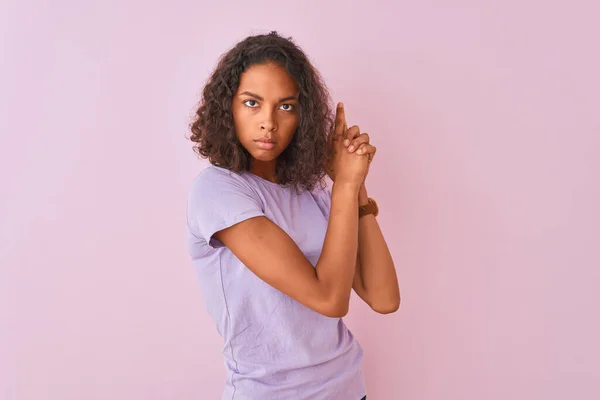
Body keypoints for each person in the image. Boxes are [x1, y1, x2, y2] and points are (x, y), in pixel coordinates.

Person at [186, 31, 400, 400]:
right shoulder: (217, 192)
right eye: (252, 103)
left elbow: (383, 298)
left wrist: (353, 186)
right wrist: (345, 189)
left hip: (348, 389)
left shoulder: (313, 191)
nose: (269, 121)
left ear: (303, 115)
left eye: (286, 106)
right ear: (228, 108)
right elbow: (330, 299)